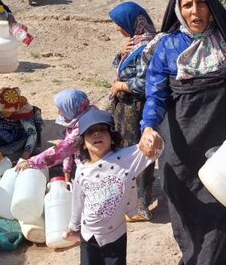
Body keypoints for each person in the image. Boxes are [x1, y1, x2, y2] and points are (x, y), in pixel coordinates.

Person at [139, 0, 226, 265]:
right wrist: (148, 127)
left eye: (201, 2)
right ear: (178, 10)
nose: (195, 10)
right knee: (188, 223)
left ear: (211, 7)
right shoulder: (167, 48)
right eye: (188, 5)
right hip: (182, 151)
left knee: (224, 219)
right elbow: (155, 97)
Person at [66, 109, 162, 265]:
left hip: (115, 233)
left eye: (102, 130)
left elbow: (155, 150)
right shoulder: (82, 172)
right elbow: (78, 201)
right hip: (89, 235)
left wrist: (153, 138)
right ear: (83, 143)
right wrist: (73, 225)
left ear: (112, 138)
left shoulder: (126, 159)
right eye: (91, 132)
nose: (97, 134)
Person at [108, 2, 156, 221]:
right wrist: (120, 54)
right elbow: (121, 67)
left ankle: (141, 206)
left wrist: (121, 86)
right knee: (128, 151)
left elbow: (148, 81)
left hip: (137, 109)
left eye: (119, 24)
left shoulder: (149, 46)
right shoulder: (136, 42)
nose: (117, 29)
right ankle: (134, 195)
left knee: (139, 153)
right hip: (125, 108)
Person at [14, 89, 96, 181]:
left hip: (94, 170)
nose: (59, 113)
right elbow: (68, 149)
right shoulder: (86, 113)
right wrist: (67, 174)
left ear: (71, 108)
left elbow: (60, 151)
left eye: (61, 110)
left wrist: (30, 163)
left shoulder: (82, 128)